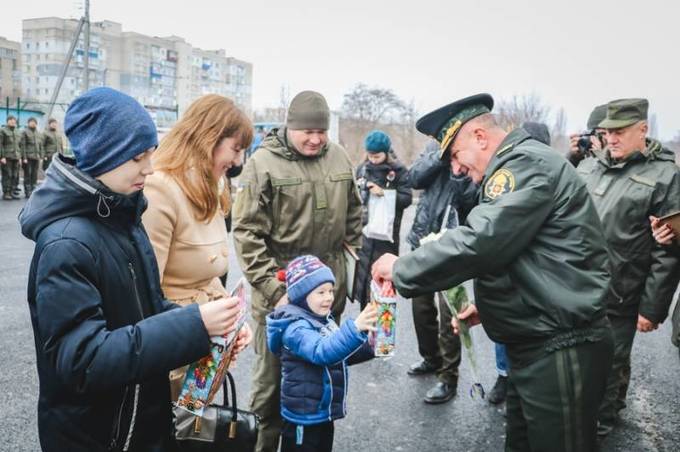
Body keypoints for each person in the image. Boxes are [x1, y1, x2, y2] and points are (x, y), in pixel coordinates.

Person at [372, 93, 614, 452]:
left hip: (560, 344)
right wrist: (487, 308)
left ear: (480, 137)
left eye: (455, 155)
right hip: (537, 340)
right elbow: (530, 254)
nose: (455, 169)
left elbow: (481, 241)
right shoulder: (518, 165)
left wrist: (401, 266)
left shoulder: (524, 165)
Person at [19, 87, 249, 451]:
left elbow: (150, 309)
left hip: (136, 422)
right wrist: (195, 324)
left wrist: (210, 332)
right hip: (97, 436)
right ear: (103, 155)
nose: (151, 167)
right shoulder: (66, 243)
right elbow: (83, 361)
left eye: (151, 154)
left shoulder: (124, 217)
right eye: (138, 157)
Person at [233, 90, 363, 452]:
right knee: (272, 386)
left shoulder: (338, 157)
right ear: (290, 127)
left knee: (321, 376)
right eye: (307, 131)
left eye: (321, 131)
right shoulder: (262, 164)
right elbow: (246, 233)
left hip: (325, 294)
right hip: (281, 295)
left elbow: (354, 216)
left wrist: (354, 267)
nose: (316, 138)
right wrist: (278, 293)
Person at [575, 98, 680, 436]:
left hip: (622, 292)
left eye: (620, 132)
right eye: (607, 133)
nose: (612, 139)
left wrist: (652, 308)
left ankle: (602, 421)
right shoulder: (590, 167)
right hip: (578, 286)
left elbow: (669, 249)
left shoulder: (665, 176)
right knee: (579, 357)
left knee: (610, 362)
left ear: (643, 130)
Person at [141, 94, 254, 401]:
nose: (238, 161)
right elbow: (144, 294)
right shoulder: (161, 188)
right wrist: (204, 322)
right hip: (168, 355)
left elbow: (208, 273)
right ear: (209, 137)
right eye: (236, 148)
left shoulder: (212, 186)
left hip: (202, 350)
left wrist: (232, 322)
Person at [266, 255, 377, 452]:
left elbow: (339, 354)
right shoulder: (295, 328)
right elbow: (322, 352)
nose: (328, 297)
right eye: (321, 292)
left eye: (330, 290)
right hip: (303, 418)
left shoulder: (321, 319)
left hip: (322, 413)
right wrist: (354, 329)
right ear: (301, 295)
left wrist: (372, 344)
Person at [485, 121, 553, 406]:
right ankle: (504, 377)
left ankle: (527, 383)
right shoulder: (506, 178)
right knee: (505, 327)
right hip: (509, 270)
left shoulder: (548, 177)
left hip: (539, 276)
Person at [403, 140, 476, 404]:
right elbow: (414, 178)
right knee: (421, 309)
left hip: (451, 249)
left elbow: (472, 199)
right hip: (421, 243)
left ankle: (448, 378)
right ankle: (430, 358)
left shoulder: (471, 154)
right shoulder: (434, 148)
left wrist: (458, 175)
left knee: (450, 317)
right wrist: (440, 158)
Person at [354, 130, 412, 308]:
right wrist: (363, 187)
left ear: (386, 153)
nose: (373, 159)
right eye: (370, 155)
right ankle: (364, 323)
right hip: (365, 233)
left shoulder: (399, 171)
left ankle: (383, 324)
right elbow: (354, 193)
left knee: (382, 282)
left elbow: (407, 198)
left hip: (386, 236)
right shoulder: (362, 168)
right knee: (364, 281)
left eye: (377, 156)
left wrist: (385, 194)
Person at [20, 117, 44, 198]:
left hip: (36, 157)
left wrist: (41, 156)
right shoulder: (25, 132)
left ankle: (33, 190)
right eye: (31, 122)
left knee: (34, 174)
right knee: (28, 174)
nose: (33, 123)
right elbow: (23, 146)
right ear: (28, 123)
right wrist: (24, 157)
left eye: (34, 122)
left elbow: (41, 146)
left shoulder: (38, 133)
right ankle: (27, 191)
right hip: (28, 158)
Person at [1, 115, 22, 200]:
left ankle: (12, 192)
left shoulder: (18, 132)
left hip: (16, 157)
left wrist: (20, 157)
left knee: (14, 175)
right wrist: (2, 156)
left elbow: (19, 145)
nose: (13, 122)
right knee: (7, 175)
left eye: (14, 120)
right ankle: (6, 192)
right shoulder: (3, 131)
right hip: (7, 157)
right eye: (11, 120)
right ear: (7, 121)